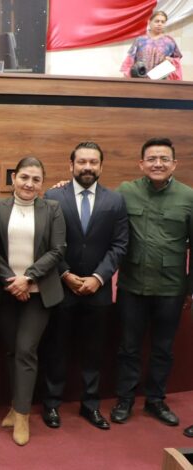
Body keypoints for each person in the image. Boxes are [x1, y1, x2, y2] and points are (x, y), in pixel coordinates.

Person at [40, 142, 128, 431]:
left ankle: (90, 405)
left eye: (93, 162)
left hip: (97, 290)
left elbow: (119, 245)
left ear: (101, 166)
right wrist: (65, 273)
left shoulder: (115, 201)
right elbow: (47, 242)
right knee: (56, 348)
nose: (87, 167)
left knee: (94, 351)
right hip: (61, 287)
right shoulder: (54, 196)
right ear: (71, 165)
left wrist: (98, 277)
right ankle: (51, 403)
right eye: (82, 162)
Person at [108, 138, 193, 433]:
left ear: (174, 164)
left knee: (163, 349)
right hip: (132, 286)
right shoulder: (125, 192)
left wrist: (190, 288)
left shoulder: (188, 197)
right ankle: (125, 399)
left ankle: (155, 400)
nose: (158, 164)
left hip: (171, 288)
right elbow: (99, 207)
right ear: (141, 163)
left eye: (164, 159)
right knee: (128, 347)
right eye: (152, 159)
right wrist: (63, 189)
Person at [0, 156, 66, 446]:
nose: (29, 184)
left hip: (38, 293)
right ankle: (15, 406)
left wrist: (29, 278)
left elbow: (58, 250)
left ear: (42, 183)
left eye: (36, 179)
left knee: (25, 350)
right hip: (7, 290)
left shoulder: (53, 209)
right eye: (24, 177)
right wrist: (13, 280)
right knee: (12, 351)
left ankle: (22, 415)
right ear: (14, 178)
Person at [120, 10, 183, 80]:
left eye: (163, 22)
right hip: (140, 80)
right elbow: (129, 60)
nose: (160, 24)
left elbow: (177, 62)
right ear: (149, 22)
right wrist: (127, 77)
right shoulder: (140, 40)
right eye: (157, 21)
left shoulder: (169, 41)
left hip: (162, 81)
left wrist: (170, 60)